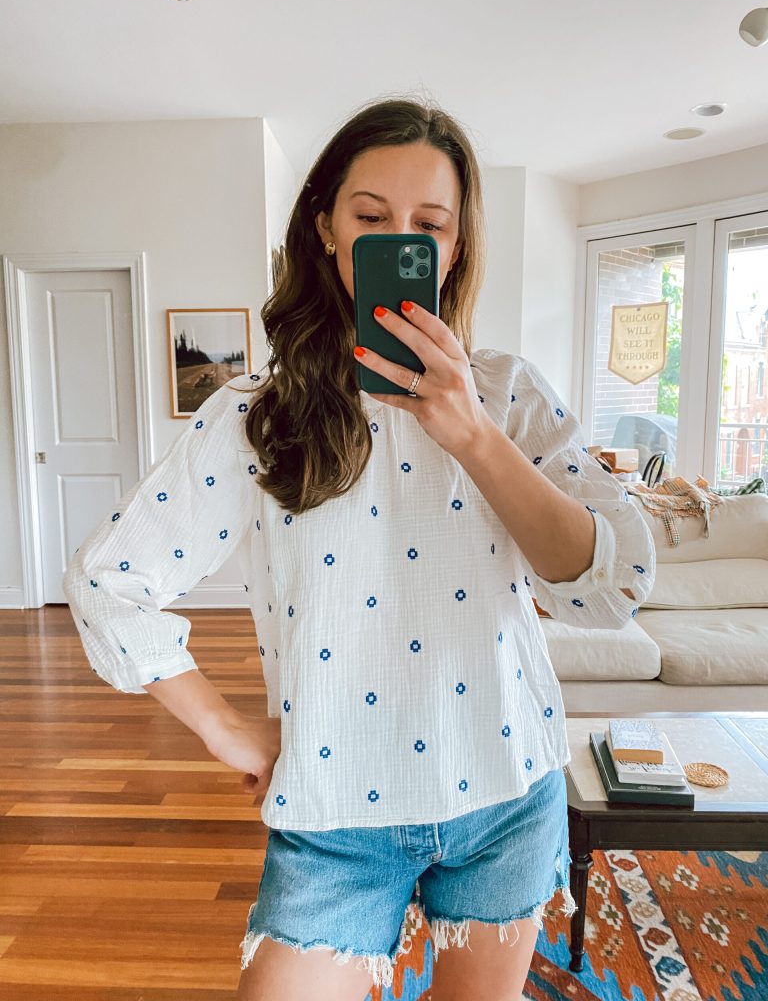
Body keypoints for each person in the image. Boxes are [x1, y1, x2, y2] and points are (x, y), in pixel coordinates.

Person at [62, 95, 656, 1001]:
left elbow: (611, 586)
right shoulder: (256, 413)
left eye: (428, 224)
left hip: (504, 793)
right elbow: (109, 582)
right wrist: (225, 731)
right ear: (328, 231)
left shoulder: (511, 395)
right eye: (371, 217)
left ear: (453, 249)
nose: (398, 237)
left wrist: (472, 436)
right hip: (334, 815)